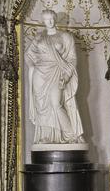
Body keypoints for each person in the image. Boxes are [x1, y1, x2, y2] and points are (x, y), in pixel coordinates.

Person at [25, 9, 85, 145]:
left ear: (55, 19)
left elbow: (72, 59)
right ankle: (47, 136)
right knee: (42, 107)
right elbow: (28, 55)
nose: (50, 22)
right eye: (47, 19)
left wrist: (66, 76)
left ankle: (71, 135)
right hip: (40, 75)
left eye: (52, 19)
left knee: (56, 104)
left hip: (58, 72)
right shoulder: (39, 37)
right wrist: (32, 66)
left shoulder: (65, 36)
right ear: (43, 21)